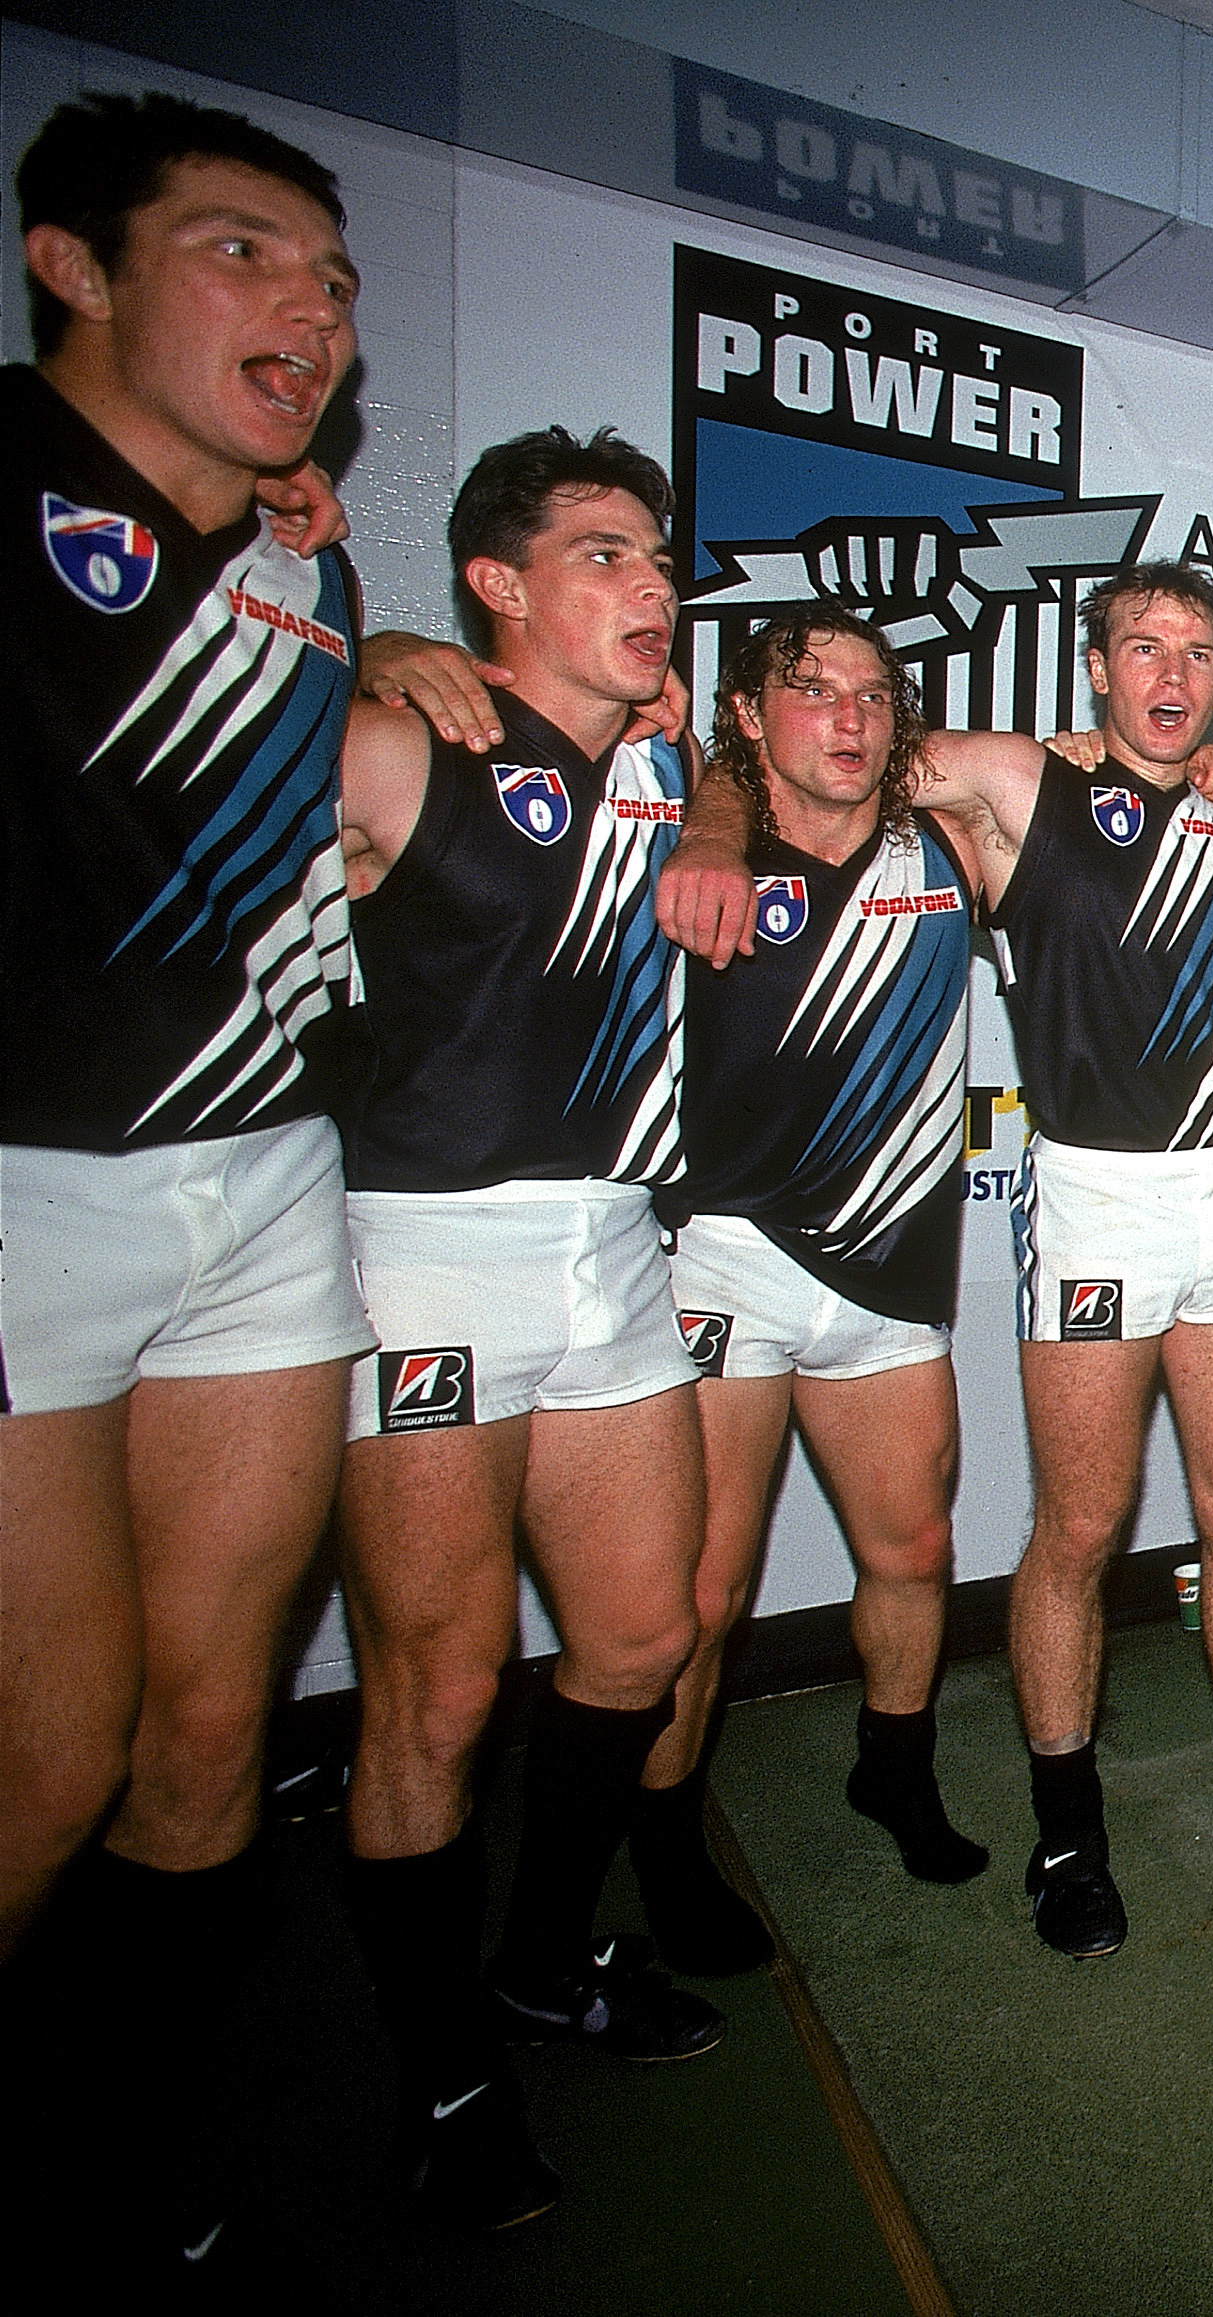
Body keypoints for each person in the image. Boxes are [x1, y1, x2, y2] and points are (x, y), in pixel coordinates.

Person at [661, 562, 1213, 1953]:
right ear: (1095, 669)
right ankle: (1067, 1831)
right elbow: (813, 755)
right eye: (1145, 646)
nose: (1173, 671)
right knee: (1078, 1531)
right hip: (1093, 1203)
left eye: (1197, 650)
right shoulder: (1021, 782)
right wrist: (716, 830)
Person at [0, 90, 371, 2275]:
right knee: (46, 1761)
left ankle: (122, 2150)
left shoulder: (308, 559)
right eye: (241, 252)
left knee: (211, 1725)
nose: (305, 308)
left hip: (263, 1184)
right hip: (26, 1186)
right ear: (75, 262)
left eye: (326, 279)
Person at [329, 426, 719, 2229]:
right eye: (603, 557)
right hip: (423, 1260)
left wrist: (706, 794)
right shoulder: (406, 733)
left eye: (655, 559)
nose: (649, 587)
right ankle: (444, 2078)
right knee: (438, 1686)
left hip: (614, 1250)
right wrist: (355, 647)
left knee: (639, 1635)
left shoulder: (656, 761)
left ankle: (545, 1956)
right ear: (493, 583)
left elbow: (710, 771)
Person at [624, 606, 989, 1982]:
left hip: (891, 1274)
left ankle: (892, 1772)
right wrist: (716, 818)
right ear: (747, 715)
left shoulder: (950, 849)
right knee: (700, 1594)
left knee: (912, 1555)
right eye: (810, 689)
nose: (845, 715)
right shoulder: (685, 834)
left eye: (870, 695)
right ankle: (665, 1844)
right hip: (723, 1258)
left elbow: (1069, 778)